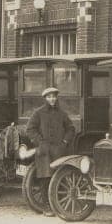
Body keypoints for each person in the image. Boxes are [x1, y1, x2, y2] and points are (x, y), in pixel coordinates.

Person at [25, 86, 75, 216]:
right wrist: (40, 142)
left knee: (58, 177)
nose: (52, 99)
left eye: (54, 96)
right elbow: (30, 129)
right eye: (49, 97)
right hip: (44, 151)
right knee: (45, 177)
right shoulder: (38, 113)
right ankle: (47, 206)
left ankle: (57, 204)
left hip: (59, 150)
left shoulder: (62, 113)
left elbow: (71, 128)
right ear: (45, 98)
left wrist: (65, 141)